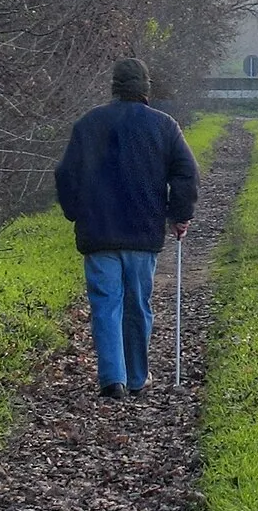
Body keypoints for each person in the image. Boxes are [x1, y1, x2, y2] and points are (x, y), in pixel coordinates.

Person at [53, 58, 199, 399]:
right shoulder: (164, 126)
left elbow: (65, 175)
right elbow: (186, 172)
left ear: (114, 87)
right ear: (146, 89)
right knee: (137, 304)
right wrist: (179, 215)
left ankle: (112, 379)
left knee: (106, 303)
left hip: (99, 232)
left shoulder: (88, 124)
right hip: (142, 233)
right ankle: (136, 377)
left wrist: (75, 211)